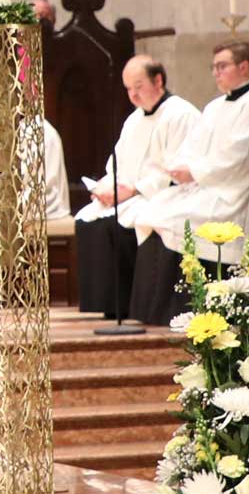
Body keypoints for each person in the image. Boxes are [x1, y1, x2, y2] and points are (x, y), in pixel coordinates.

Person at [123, 40, 249, 324]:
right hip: (210, 186)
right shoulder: (215, 107)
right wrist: (182, 169)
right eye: (213, 67)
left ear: (244, 66)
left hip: (243, 193)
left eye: (222, 66)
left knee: (178, 218)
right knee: (155, 209)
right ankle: (155, 311)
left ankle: (186, 310)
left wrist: (197, 173)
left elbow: (244, 160)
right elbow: (194, 148)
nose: (216, 73)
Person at [72, 56, 199, 318]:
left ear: (158, 80)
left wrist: (134, 189)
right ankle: (110, 308)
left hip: (164, 195)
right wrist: (106, 188)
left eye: (138, 87)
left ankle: (128, 308)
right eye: (128, 89)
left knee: (118, 224)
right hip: (130, 195)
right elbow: (116, 164)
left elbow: (178, 168)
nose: (133, 95)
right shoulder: (134, 120)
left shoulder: (180, 114)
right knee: (87, 220)